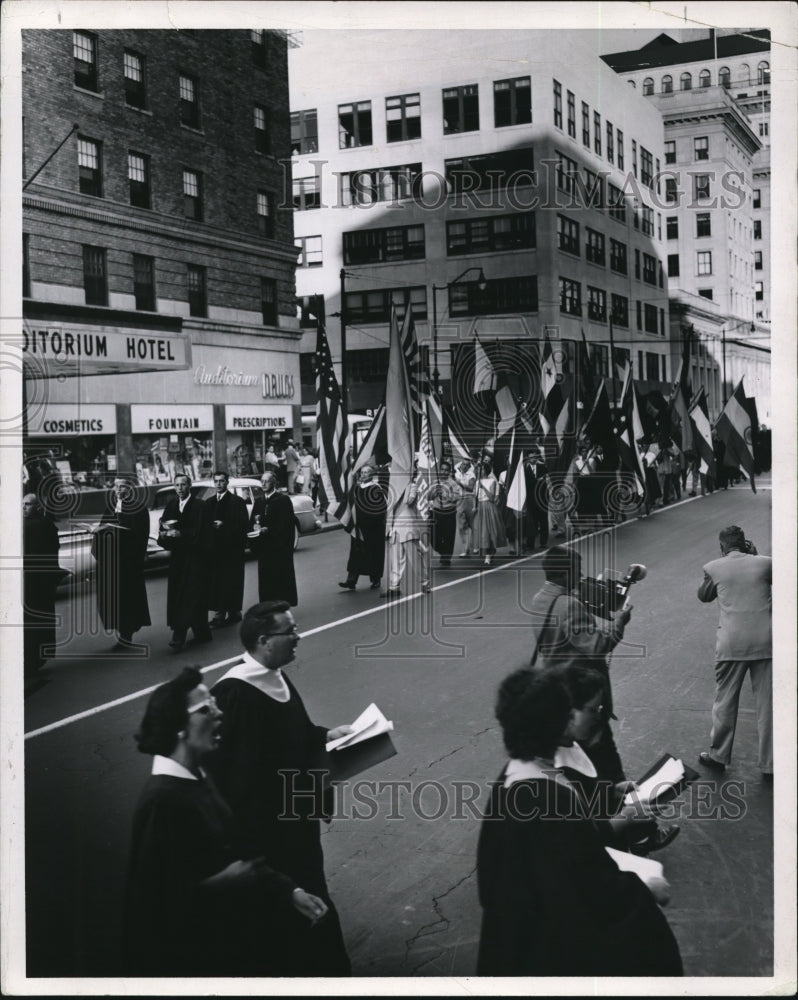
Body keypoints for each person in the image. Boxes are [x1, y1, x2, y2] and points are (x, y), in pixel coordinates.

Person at [476, 668, 683, 976]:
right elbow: (591, 889)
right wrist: (647, 886)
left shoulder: (515, 776)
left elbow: (570, 847)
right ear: (557, 725)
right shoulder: (546, 798)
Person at [123, 666, 329, 976]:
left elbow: (239, 852)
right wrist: (223, 883)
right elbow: (152, 906)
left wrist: (289, 891)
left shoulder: (199, 778)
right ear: (179, 727)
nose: (219, 714)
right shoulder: (163, 802)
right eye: (206, 708)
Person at [207, 603, 353, 975]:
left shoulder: (276, 675)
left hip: (296, 819)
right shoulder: (236, 693)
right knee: (294, 907)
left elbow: (294, 734)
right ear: (263, 640)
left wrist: (325, 736)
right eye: (290, 631)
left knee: (309, 895)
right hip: (270, 831)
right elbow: (236, 776)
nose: (298, 636)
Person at [529, 545, 632, 784]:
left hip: (555, 685)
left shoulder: (540, 598)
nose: (581, 575)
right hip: (579, 692)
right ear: (565, 573)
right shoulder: (569, 605)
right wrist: (620, 623)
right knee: (606, 760)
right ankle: (620, 808)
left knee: (575, 759)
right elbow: (596, 647)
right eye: (577, 570)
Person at [697, 526, 772, 777]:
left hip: (731, 644)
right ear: (746, 543)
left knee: (725, 701)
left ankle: (718, 755)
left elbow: (703, 596)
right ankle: (770, 764)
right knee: (767, 706)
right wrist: (756, 554)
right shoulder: (765, 563)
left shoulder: (713, 566)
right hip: (766, 642)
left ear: (722, 546)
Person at [93, 476, 151, 649]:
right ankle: (121, 633)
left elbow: (141, 536)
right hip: (111, 562)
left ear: (130, 488)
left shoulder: (139, 509)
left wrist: (124, 539)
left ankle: (126, 635)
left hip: (128, 563)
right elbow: (103, 529)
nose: (118, 489)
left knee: (127, 600)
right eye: (116, 486)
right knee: (113, 600)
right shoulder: (111, 507)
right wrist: (98, 531)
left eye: (122, 486)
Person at [157, 474, 212, 652]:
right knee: (180, 595)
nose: (179, 488)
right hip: (178, 559)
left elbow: (203, 533)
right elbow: (164, 526)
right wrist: (165, 535)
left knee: (191, 595)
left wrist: (181, 534)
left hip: (196, 558)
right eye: (177, 485)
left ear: (189, 486)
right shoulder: (172, 505)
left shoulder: (199, 506)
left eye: (183, 484)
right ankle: (201, 632)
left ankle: (179, 635)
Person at [23, 493, 63, 680]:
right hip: (43, 581)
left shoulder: (31, 526)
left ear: (37, 506)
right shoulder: (47, 524)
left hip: (34, 582)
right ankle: (39, 656)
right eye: (22, 504)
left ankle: (33, 659)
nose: (23, 508)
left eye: (27, 504)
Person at [204, 471, 248, 629]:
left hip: (232, 549)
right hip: (215, 550)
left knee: (232, 581)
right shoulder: (208, 503)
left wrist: (224, 526)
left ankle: (233, 611)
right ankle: (220, 613)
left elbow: (243, 525)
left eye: (221, 481)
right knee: (218, 582)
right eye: (216, 481)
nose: (218, 484)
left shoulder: (237, 502)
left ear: (227, 482)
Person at [249, 471, 297, 607]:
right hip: (264, 548)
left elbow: (286, 524)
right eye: (262, 481)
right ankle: (268, 605)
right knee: (266, 579)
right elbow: (252, 520)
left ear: (274, 483)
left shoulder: (283, 500)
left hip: (279, 547)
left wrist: (268, 529)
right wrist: (254, 526)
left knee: (280, 577)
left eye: (267, 481)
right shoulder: (259, 501)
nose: (263, 484)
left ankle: (281, 605)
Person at [338, 464, 387, 590]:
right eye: (362, 472)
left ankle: (375, 579)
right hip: (358, 527)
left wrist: (367, 520)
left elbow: (380, 510)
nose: (363, 474)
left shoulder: (376, 489)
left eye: (366, 472)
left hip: (373, 528)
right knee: (356, 554)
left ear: (372, 475)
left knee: (374, 554)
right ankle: (351, 580)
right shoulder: (356, 489)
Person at [384, 471, 431, 598]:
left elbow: (408, 501)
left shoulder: (412, 486)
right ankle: (394, 587)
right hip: (396, 527)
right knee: (396, 559)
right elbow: (390, 508)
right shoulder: (393, 487)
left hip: (408, 526)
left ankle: (425, 583)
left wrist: (404, 487)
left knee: (414, 559)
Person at [473, 458, 506, 566]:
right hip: (480, 507)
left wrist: (483, 488)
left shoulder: (492, 481)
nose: (480, 471)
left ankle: (489, 554)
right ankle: (489, 552)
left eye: (482, 469)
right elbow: (475, 497)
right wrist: (474, 506)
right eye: (479, 469)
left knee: (490, 531)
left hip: (489, 506)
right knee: (482, 532)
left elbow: (492, 497)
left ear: (486, 470)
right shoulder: (477, 481)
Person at [429, 459, 462, 568]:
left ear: (449, 471)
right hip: (436, 511)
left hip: (449, 512)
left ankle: (446, 557)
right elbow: (428, 497)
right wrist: (434, 492)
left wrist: (445, 494)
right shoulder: (435, 482)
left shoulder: (453, 483)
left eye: (446, 470)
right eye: (442, 469)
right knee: (433, 536)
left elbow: (457, 498)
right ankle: (442, 551)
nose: (443, 472)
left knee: (448, 536)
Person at [522, 448, 550, 550]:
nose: (533, 459)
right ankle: (530, 544)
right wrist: (537, 480)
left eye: (534, 457)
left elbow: (545, 482)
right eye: (531, 457)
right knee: (531, 522)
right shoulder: (524, 469)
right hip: (530, 499)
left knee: (543, 521)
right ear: (528, 458)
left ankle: (543, 542)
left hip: (542, 498)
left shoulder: (542, 467)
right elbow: (526, 484)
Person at [454, 455, 478, 557]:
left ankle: (476, 545)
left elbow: (471, 488)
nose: (464, 466)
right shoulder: (457, 474)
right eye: (463, 464)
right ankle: (465, 549)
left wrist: (461, 484)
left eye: (466, 465)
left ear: (469, 466)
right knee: (461, 526)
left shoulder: (471, 475)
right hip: (459, 500)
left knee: (472, 524)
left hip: (469, 499)